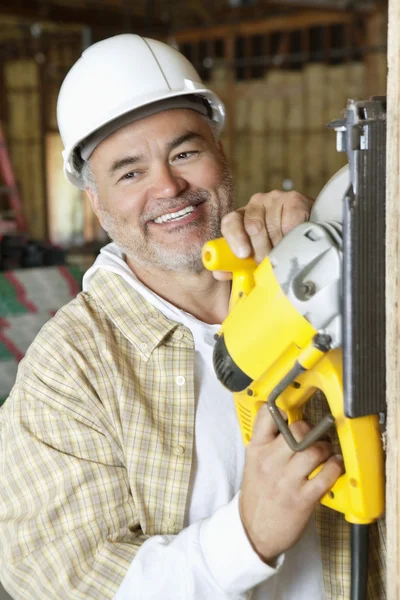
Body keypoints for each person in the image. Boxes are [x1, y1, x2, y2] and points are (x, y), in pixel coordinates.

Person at [0, 34, 385, 600]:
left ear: (220, 154)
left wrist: (331, 246)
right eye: (129, 173)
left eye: (185, 152)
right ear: (95, 201)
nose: (168, 186)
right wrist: (247, 534)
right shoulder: (68, 372)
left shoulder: (304, 274)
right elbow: (64, 583)